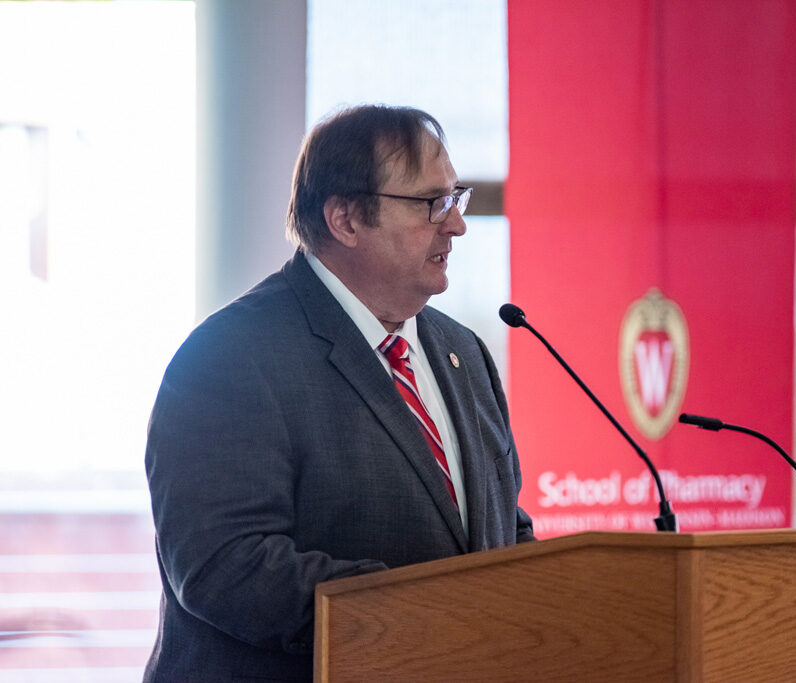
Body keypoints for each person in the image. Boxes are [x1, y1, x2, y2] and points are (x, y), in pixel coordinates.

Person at [143, 105, 534, 682]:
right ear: (346, 220)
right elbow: (225, 566)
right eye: (431, 204)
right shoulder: (231, 356)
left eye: (456, 199)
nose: (456, 225)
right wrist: (428, 617)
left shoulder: (464, 353)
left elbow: (504, 529)